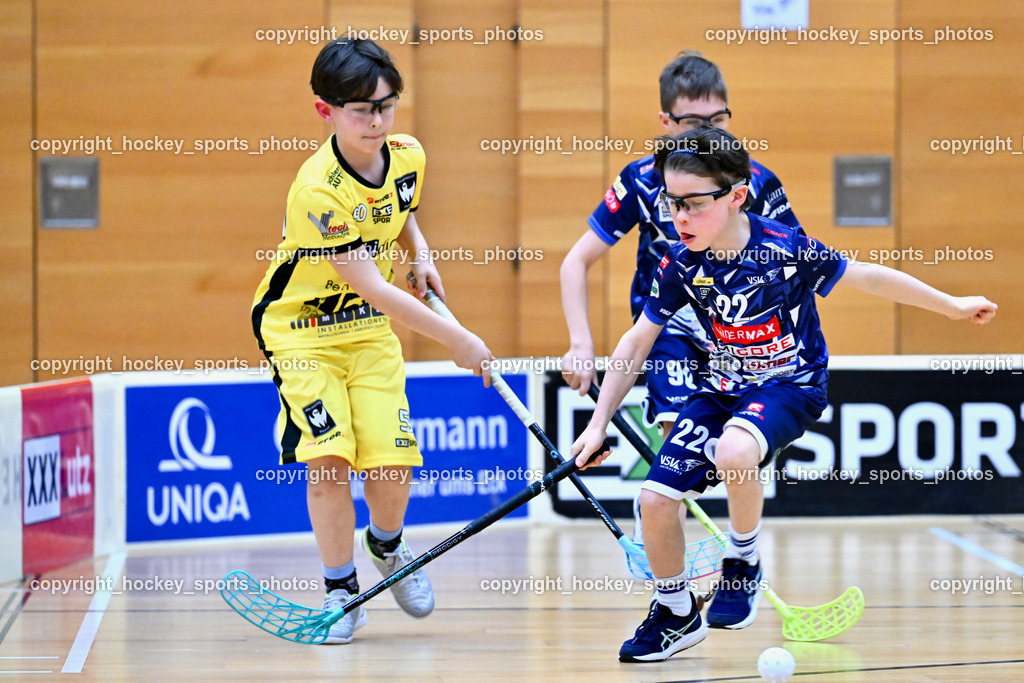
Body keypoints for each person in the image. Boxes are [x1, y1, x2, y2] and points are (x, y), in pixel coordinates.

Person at [571, 125, 996, 662]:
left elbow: (868, 278)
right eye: (672, 203)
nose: (680, 218)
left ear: (737, 196)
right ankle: (675, 611)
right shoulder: (678, 262)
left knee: (733, 450)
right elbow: (636, 342)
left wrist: (953, 306)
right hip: (722, 386)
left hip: (790, 385)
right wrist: (597, 423)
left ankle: (742, 562)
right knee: (654, 501)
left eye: (695, 204)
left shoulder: (783, 250)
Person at [251, 38, 493, 644]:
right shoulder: (317, 191)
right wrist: (459, 340)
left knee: (393, 460)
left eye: (387, 106)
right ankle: (340, 588)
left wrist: (422, 253)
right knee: (329, 457)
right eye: (362, 110)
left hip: (365, 332)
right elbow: (374, 288)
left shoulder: (407, 154)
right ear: (324, 111)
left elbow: (399, 205)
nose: (378, 122)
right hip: (300, 329)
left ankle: (385, 545)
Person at [561, 51, 800, 436]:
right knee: (681, 436)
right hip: (667, 324)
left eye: (719, 120)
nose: (708, 135)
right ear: (666, 122)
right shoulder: (641, 180)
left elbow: (797, 263)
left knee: (738, 451)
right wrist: (580, 344)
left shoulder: (755, 181)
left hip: (741, 330)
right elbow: (575, 261)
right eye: (692, 123)